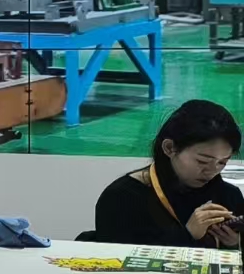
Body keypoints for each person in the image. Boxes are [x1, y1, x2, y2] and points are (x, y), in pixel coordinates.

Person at [94, 99, 244, 246]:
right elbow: (115, 257)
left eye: (222, 162)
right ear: (169, 148)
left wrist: (235, 243)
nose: (212, 171)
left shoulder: (229, 196)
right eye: (202, 161)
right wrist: (187, 234)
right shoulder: (122, 197)